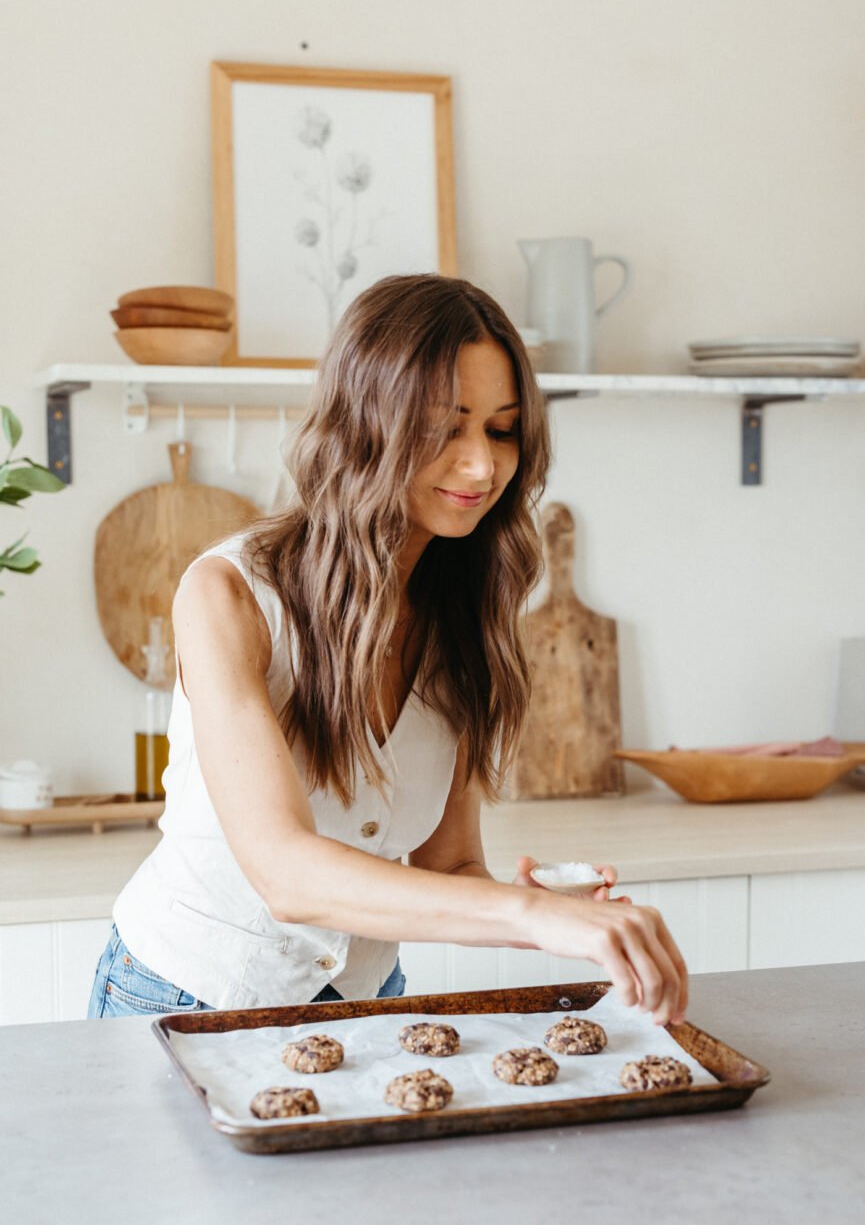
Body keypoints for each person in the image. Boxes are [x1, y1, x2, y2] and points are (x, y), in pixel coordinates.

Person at [88, 274, 687, 1024]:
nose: (480, 465)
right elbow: (283, 872)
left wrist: (546, 910)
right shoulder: (228, 594)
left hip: (368, 1002)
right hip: (185, 995)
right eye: (445, 428)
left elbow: (449, 863)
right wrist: (524, 917)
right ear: (365, 422)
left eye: (500, 429)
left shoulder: (465, 613)